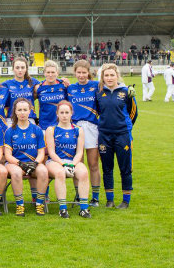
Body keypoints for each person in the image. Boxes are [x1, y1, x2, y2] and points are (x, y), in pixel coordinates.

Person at [96, 64, 138, 209]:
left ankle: (126, 200)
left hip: (122, 135)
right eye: (106, 75)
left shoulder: (127, 92)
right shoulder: (99, 92)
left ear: (117, 76)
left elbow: (133, 113)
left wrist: (125, 127)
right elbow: (97, 112)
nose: (109, 78)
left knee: (125, 168)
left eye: (111, 75)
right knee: (107, 168)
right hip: (104, 135)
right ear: (102, 77)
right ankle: (110, 200)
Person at [44, 101, 91, 218]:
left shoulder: (78, 129)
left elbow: (80, 151)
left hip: (72, 161)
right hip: (54, 162)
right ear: (57, 114)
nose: (64, 115)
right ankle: (63, 209)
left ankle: (84, 208)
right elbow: (51, 152)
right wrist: (63, 164)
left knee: (84, 172)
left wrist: (72, 164)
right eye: (62, 112)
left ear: (71, 114)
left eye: (67, 112)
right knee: (60, 173)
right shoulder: (51, 129)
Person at [4, 98, 49, 217]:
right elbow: (8, 155)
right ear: (15, 112)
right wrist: (20, 164)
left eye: (25, 110)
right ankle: (20, 205)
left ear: (30, 111)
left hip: (33, 163)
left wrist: (35, 163)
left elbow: (41, 152)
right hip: (15, 164)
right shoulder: (10, 131)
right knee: (17, 173)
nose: (22, 112)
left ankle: (39, 204)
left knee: (44, 171)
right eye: (20, 110)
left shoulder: (37, 130)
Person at [67, 60, 102, 206]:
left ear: (88, 72)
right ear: (74, 73)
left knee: (93, 164)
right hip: (75, 128)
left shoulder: (96, 86)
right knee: (78, 164)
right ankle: (79, 195)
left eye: (84, 72)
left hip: (92, 128)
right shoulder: (70, 88)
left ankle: (95, 197)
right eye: (78, 72)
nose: (81, 75)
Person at [2, 57, 40, 126]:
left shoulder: (33, 82)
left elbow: (47, 85)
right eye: (17, 67)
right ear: (13, 69)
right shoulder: (6, 84)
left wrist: (62, 81)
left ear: (26, 69)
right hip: (12, 119)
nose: (20, 70)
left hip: (29, 118)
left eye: (22, 67)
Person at [35, 60, 67, 131]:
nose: (50, 75)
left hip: (61, 126)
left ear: (57, 73)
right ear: (44, 73)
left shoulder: (64, 85)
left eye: (53, 72)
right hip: (44, 126)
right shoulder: (38, 87)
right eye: (48, 72)